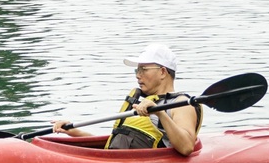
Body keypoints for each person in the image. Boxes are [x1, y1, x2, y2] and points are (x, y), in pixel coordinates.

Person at [52, 43, 202, 156]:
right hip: (118, 162)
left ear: (163, 72)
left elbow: (187, 147)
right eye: (137, 70)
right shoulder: (140, 102)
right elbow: (116, 144)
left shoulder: (181, 104)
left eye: (144, 69)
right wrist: (74, 132)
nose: (138, 75)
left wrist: (160, 114)